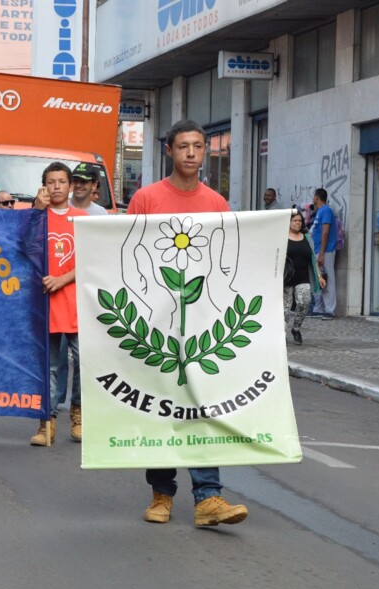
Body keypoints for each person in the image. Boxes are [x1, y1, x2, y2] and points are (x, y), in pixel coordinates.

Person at [127, 119, 248, 528]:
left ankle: (208, 498)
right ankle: (161, 494)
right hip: (155, 325)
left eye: (198, 146)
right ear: (170, 151)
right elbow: (128, 253)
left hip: (201, 324)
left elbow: (228, 260)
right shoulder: (146, 199)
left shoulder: (217, 203)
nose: (192, 153)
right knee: (161, 410)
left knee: (203, 408)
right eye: (183, 146)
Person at [31, 162, 88, 446]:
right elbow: (24, 247)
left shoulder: (83, 218)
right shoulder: (36, 218)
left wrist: (63, 279)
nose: (56, 187)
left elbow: (93, 258)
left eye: (61, 181)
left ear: (70, 185)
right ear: (43, 186)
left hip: (77, 303)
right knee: (50, 366)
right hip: (45, 303)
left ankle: (78, 415)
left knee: (84, 362)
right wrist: (35, 210)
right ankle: (47, 422)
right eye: (50, 182)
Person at [285, 211, 325, 345]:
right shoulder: (282, 237)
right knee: (285, 309)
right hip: (286, 278)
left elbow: (313, 259)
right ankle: (282, 333)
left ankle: (296, 328)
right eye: (295, 220)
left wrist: (319, 276)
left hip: (303, 276)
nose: (297, 223)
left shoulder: (307, 237)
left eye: (300, 221)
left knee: (305, 302)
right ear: (289, 222)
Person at [310, 187, 337, 319]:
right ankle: (318, 308)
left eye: (314, 196)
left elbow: (325, 232)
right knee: (319, 278)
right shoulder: (319, 211)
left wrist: (321, 253)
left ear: (317, 197)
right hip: (317, 250)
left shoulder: (326, 210)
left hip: (325, 250)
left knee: (328, 278)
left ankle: (329, 310)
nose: (312, 198)